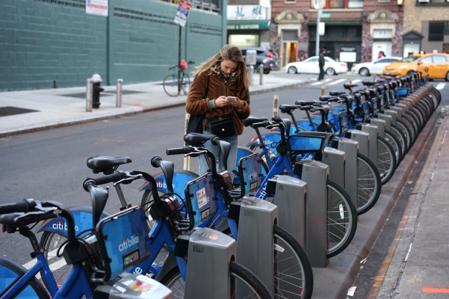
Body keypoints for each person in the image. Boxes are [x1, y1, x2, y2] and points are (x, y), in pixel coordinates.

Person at [186, 45, 250, 175]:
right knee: (209, 176)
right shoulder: (205, 75)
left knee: (230, 175)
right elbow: (190, 106)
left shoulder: (239, 79)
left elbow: (246, 112)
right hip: (209, 134)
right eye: (226, 67)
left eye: (233, 69)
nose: (229, 71)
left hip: (231, 133)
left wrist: (239, 104)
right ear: (220, 60)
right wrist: (213, 103)